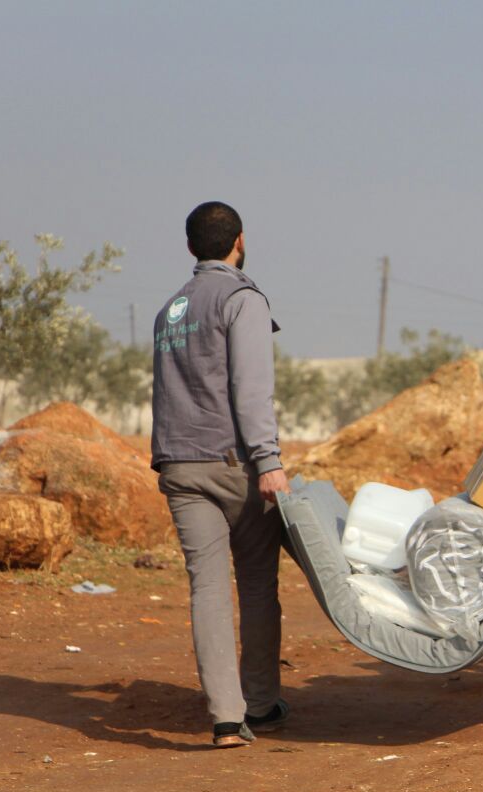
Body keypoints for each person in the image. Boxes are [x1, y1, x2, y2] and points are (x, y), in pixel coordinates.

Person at [151, 201, 291, 748]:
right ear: (240, 241)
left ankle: (226, 719)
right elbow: (251, 389)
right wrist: (270, 462)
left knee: (206, 587)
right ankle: (259, 704)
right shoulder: (242, 298)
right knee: (256, 583)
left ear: (191, 248)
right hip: (233, 463)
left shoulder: (171, 309)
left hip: (178, 465)